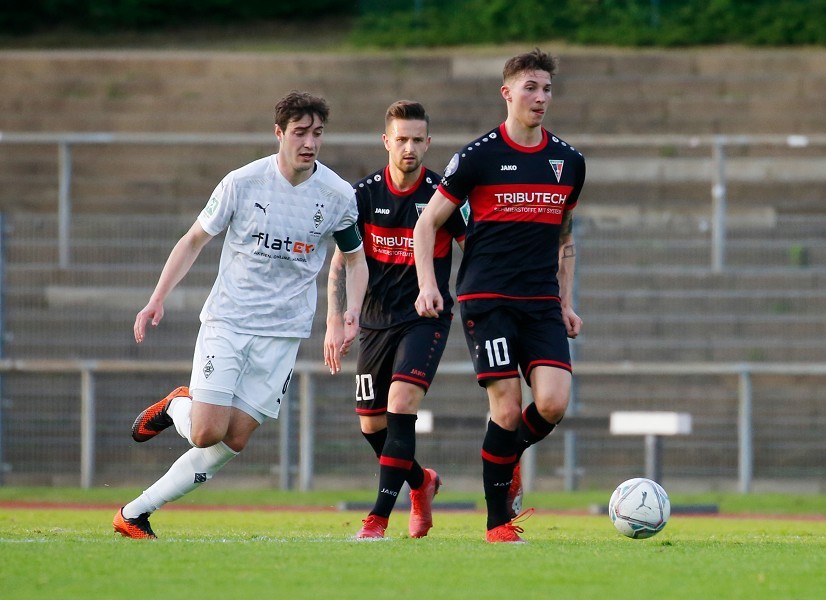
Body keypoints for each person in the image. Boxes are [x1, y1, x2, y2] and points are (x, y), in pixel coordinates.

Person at [113, 90, 368, 539]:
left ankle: (133, 514)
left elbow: (355, 258)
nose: (310, 142)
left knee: (234, 439)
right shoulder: (243, 182)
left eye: (317, 133)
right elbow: (194, 239)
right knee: (205, 433)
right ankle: (177, 404)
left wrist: (351, 312)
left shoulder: (337, 194)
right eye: (300, 132)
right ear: (279, 133)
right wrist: (157, 298)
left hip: (283, 334)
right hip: (229, 323)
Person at [413, 49, 585, 543]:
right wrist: (428, 284)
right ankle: (497, 524)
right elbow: (427, 223)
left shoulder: (569, 162)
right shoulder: (478, 156)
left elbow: (565, 238)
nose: (540, 97)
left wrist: (566, 301)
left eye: (547, 88)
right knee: (506, 410)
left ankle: (506, 456)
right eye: (531, 88)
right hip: (487, 299)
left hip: (541, 302)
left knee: (552, 403)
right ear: (507, 93)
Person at [325, 100, 466, 540]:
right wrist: (336, 319)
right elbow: (340, 263)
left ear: (428, 143)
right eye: (401, 139)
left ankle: (377, 520)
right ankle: (422, 482)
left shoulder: (444, 195)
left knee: (401, 404)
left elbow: (476, 249)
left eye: (417, 140)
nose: (409, 148)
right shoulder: (363, 196)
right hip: (375, 321)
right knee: (372, 424)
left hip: (425, 318)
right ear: (386, 141)